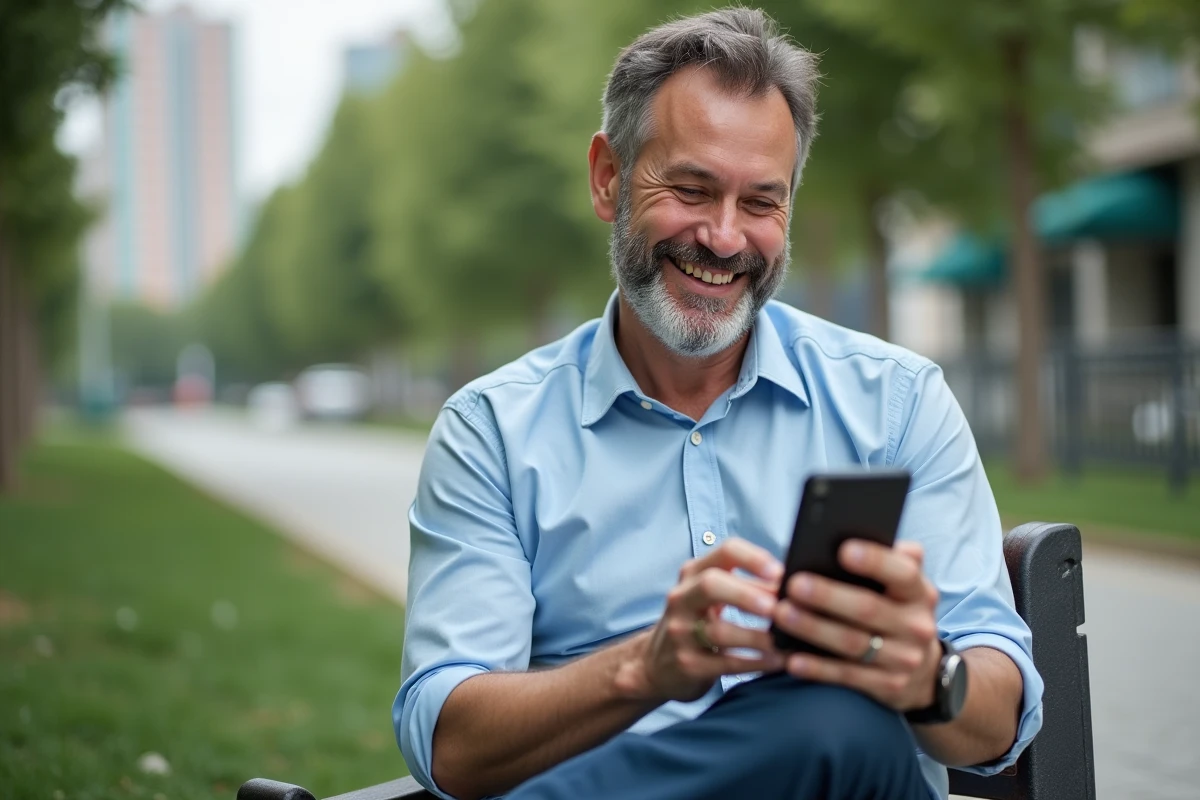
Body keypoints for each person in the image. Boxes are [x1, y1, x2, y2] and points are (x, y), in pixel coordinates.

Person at [393, 8, 1043, 800]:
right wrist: (643, 667)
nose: (727, 238)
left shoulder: (897, 405)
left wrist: (926, 676)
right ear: (609, 178)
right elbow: (450, 738)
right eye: (692, 189)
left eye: (762, 202)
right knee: (835, 726)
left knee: (843, 727)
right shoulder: (491, 432)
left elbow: (1002, 715)